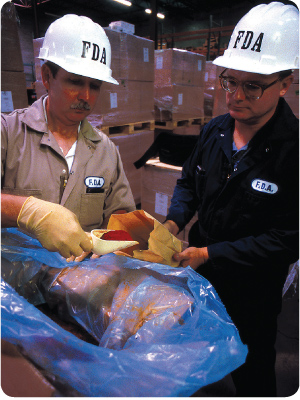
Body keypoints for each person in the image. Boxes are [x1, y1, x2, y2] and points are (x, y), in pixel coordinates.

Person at [163, 2, 299, 396]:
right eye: (229, 81)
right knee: (198, 355)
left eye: (252, 85)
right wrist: (173, 221)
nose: (236, 96)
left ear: (284, 83)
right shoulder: (215, 130)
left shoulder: (294, 150)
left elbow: (288, 237)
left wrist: (209, 253)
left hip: (253, 289)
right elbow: (189, 183)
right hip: (201, 279)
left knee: (252, 366)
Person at [1, 14, 136, 259]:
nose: (86, 96)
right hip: (14, 290)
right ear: (46, 77)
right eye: (75, 82)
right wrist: (27, 211)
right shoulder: (8, 133)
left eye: (94, 86)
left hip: (80, 289)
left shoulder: (106, 151)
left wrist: (110, 245)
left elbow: (123, 222)